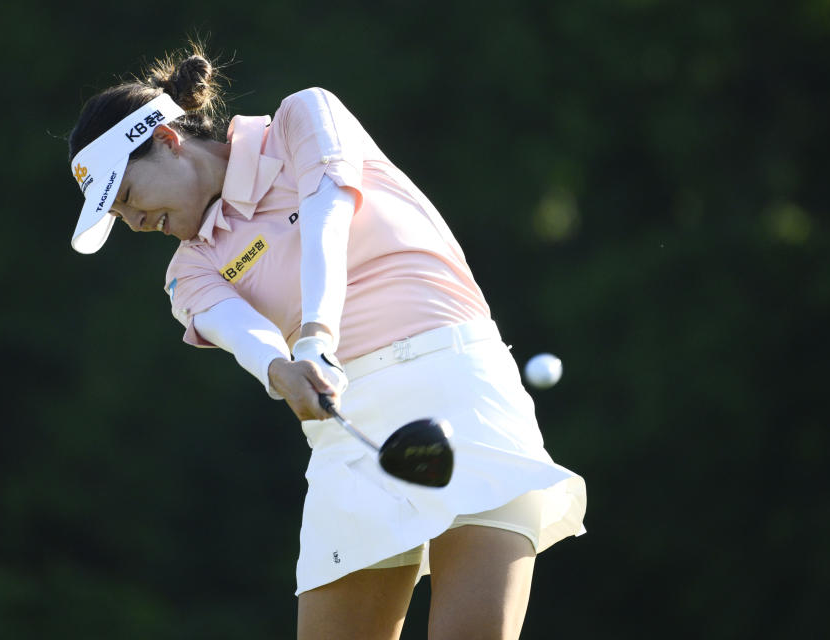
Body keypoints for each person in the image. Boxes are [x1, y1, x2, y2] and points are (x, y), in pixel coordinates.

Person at [67, 45, 586, 640]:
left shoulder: (301, 118)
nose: (133, 223)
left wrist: (316, 335)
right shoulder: (188, 269)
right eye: (117, 217)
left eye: (128, 197)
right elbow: (243, 333)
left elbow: (326, 220)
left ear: (167, 138)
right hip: (347, 429)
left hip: (457, 384)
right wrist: (280, 369)